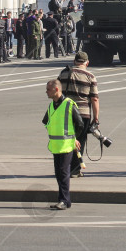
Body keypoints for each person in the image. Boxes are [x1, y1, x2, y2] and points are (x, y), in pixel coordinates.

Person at [42, 79, 83, 211]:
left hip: (67, 145)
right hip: (55, 145)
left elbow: (80, 124)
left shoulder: (69, 104)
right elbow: (46, 121)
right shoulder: (51, 106)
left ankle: (64, 200)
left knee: (64, 173)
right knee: (59, 173)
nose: (46, 92)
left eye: (48, 89)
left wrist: (75, 138)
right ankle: (65, 200)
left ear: (56, 90)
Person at [57, 51, 99, 178]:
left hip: (65, 112)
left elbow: (57, 93)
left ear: (75, 61)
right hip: (83, 114)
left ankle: (64, 168)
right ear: (87, 63)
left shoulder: (63, 73)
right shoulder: (90, 76)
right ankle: (75, 170)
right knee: (79, 141)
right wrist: (96, 118)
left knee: (66, 141)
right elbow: (94, 99)